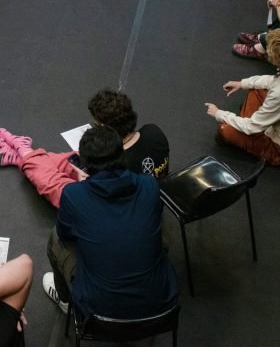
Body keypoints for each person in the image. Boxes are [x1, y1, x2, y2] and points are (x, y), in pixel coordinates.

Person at [40, 126, 179, 320]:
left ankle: (65, 301)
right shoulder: (149, 185)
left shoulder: (74, 195)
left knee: (56, 237)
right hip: (160, 305)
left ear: (86, 165)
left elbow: (65, 235)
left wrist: (84, 188)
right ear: (122, 154)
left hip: (98, 313)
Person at [0, 89, 170, 209]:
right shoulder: (153, 132)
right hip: (142, 191)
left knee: (52, 182)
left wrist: (87, 181)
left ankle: (23, 151)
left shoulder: (116, 167)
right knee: (70, 158)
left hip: (117, 204)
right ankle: (21, 155)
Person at [205, 28, 280, 165]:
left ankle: (267, 149)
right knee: (257, 89)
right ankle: (249, 122)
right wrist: (243, 84)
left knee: (224, 131)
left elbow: (252, 127)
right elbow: (274, 80)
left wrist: (219, 113)